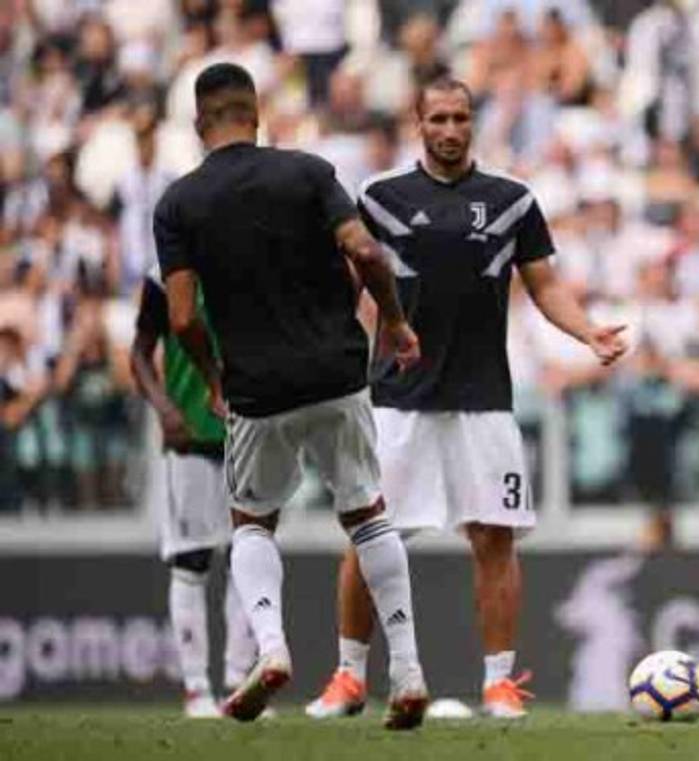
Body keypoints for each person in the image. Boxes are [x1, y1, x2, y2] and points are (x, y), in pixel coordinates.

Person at [305, 75, 627, 721]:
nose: (450, 130)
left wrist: (588, 329)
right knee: (371, 534)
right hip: (399, 399)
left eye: (460, 118)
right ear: (417, 122)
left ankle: (500, 682)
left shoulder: (511, 201)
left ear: (472, 122)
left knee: (495, 538)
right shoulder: (381, 198)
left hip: (484, 400)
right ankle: (347, 676)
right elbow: (344, 289)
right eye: (438, 119)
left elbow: (544, 285)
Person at [153, 62, 428, 730]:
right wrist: (393, 321)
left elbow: (183, 317)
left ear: (199, 125)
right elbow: (366, 251)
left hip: (255, 385)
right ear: (257, 113)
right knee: (367, 514)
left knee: (253, 522)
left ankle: (272, 650)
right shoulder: (306, 172)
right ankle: (410, 669)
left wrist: (213, 379)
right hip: (337, 371)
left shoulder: (179, 203)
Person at [130, 264, 258, 718]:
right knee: (191, 561)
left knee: (248, 558)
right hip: (189, 436)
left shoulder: (251, 257)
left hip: (250, 432)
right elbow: (140, 353)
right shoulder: (161, 275)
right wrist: (164, 408)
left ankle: (239, 682)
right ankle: (196, 688)